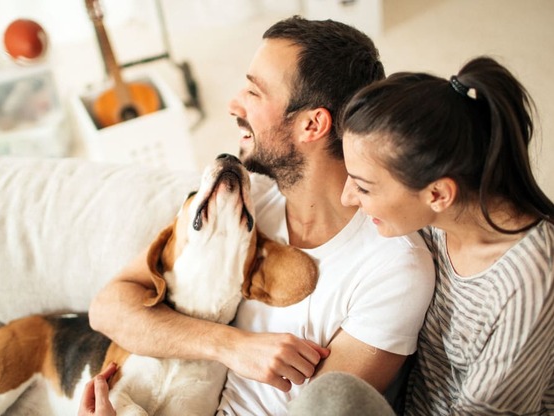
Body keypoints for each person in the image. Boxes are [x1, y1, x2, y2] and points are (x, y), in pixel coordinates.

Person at [89, 16, 436, 414]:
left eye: (254, 92)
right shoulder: (248, 200)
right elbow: (108, 307)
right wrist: (230, 345)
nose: (234, 104)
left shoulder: (394, 268)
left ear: (311, 124)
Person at [338, 56, 554, 414]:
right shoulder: (433, 217)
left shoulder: (530, 278)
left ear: (438, 195)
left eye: (363, 187)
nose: (347, 198)